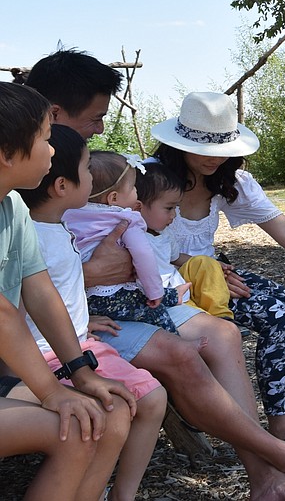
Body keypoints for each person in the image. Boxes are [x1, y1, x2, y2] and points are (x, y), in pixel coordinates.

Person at [26, 49, 285, 500]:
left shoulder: (207, 182)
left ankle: (281, 440)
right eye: (96, 118)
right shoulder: (94, 180)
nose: (101, 128)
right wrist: (93, 285)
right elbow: (43, 272)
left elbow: (280, 228)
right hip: (110, 303)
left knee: (241, 329)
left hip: (167, 285)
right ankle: (279, 458)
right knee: (187, 352)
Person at [151, 91, 285, 449]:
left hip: (215, 277)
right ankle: (279, 424)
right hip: (167, 283)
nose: (215, 159)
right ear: (178, 144)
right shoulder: (149, 181)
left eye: (222, 150)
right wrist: (200, 268)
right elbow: (138, 245)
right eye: (204, 149)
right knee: (277, 315)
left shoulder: (230, 183)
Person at [16, 124, 167, 501]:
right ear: (62, 186)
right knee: (125, 406)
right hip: (45, 353)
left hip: (69, 340)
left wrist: (80, 319)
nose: (90, 178)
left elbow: (57, 294)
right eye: (86, 169)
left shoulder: (54, 225)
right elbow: (24, 304)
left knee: (149, 399)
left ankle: (118, 493)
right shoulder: (30, 234)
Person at [0, 83, 133, 501]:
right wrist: (53, 392)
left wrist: (80, 371)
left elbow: (39, 288)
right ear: (6, 152)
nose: (53, 150)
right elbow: (3, 314)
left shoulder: (13, 208)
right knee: (74, 427)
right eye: (43, 138)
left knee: (102, 415)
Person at [64, 151, 184, 334]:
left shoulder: (69, 215)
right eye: (134, 188)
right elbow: (143, 254)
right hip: (115, 293)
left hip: (80, 300)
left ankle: (174, 295)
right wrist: (154, 292)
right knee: (156, 312)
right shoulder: (125, 219)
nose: (137, 193)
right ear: (113, 198)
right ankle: (179, 341)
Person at [137, 161, 234, 320]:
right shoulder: (132, 237)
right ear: (137, 208)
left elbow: (176, 257)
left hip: (179, 287)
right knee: (195, 316)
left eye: (175, 208)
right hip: (160, 299)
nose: (174, 215)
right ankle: (207, 320)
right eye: (169, 208)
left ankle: (220, 314)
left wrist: (215, 267)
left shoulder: (164, 233)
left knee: (205, 262)